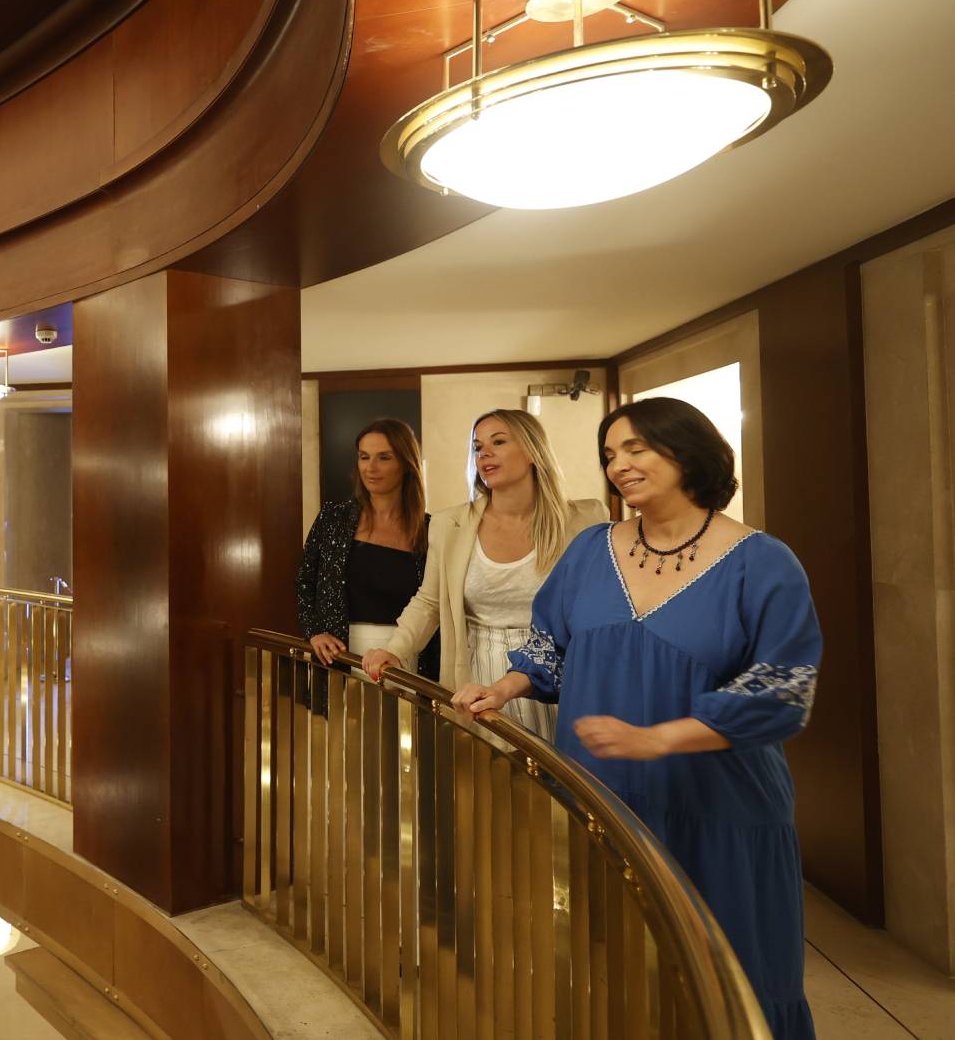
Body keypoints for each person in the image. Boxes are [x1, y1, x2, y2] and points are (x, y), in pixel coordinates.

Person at [452, 396, 819, 1039]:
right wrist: (503, 688)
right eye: (610, 454)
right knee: (613, 966)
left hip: (718, 808)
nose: (618, 464)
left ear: (688, 452)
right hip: (605, 797)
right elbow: (551, 644)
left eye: (636, 448)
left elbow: (783, 688)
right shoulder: (591, 549)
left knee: (726, 977)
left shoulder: (762, 562)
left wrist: (659, 739)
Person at [363, 409, 606, 738]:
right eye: (478, 447)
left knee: (559, 768)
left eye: (498, 442)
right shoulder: (450, 524)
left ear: (533, 450)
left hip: (560, 673)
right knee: (482, 768)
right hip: (476, 674)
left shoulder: (586, 519)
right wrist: (394, 649)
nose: (484, 453)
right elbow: (429, 602)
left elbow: (600, 608)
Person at [296, 418, 437, 675]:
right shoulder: (333, 518)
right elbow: (304, 582)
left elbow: (434, 603)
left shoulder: (430, 529)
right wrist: (314, 631)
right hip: (340, 653)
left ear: (406, 463)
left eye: (384, 457)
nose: (371, 467)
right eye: (364, 457)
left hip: (404, 653)